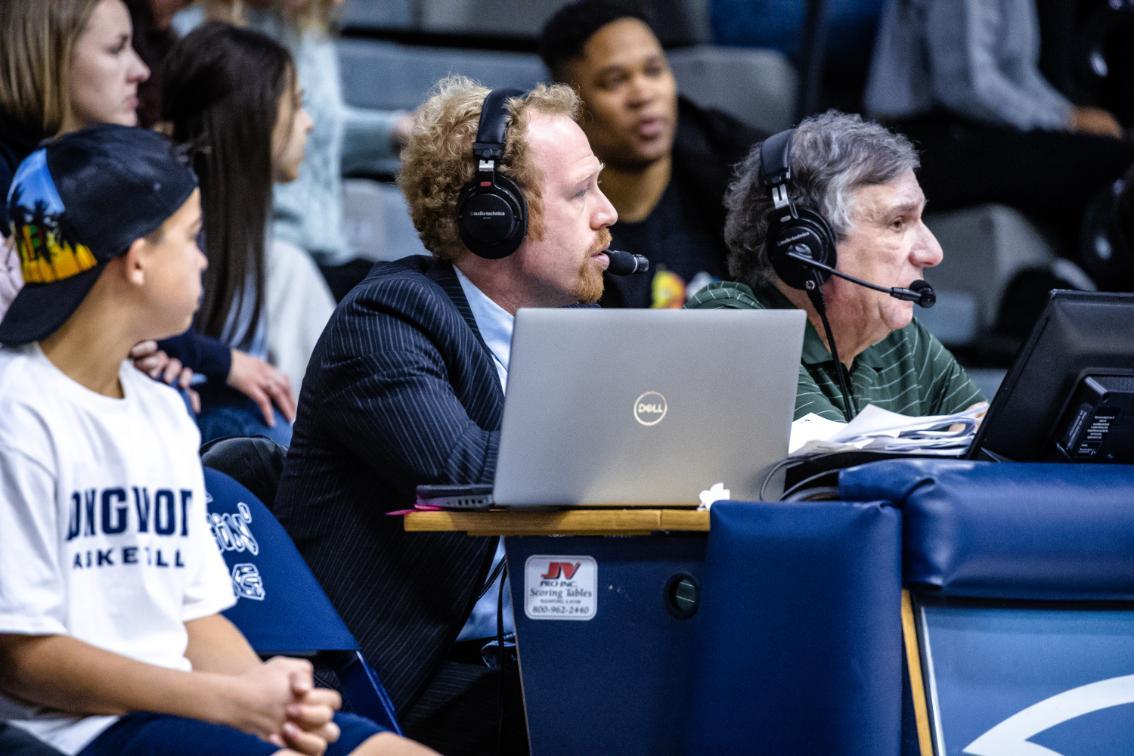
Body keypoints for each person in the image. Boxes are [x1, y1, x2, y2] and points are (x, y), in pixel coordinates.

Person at [0, 125, 427, 755]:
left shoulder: (161, 410)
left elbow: (193, 618)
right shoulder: (19, 411)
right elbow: (22, 658)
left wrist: (271, 700)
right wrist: (225, 701)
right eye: (192, 237)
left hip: (182, 708)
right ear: (137, 258)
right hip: (73, 732)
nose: (205, 257)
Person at [273, 75, 617, 754]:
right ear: (495, 217)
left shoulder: (581, 327)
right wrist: (642, 435)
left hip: (535, 654)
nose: (608, 212)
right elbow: (466, 473)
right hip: (407, 683)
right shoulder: (387, 320)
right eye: (581, 193)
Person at [0, 0, 294, 427]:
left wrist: (163, 353)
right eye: (117, 49)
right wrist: (204, 358)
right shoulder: (13, 177)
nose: (141, 70)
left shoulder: (122, 159)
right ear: (51, 55)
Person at [688, 111, 985, 422]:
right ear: (805, 247)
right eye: (898, 223)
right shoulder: (728, 322)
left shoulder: (901, 341)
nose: (933, 253)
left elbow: (993, 452)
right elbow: (836, 464)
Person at [864, 0, 1134, 289]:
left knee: (1113, 156)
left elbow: (1021, 76)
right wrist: (1067, 120)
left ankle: (1081, 278)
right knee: (1107, 164)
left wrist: (1074, 120)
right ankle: (1077, 284)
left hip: (977, 130)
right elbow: (967, 87)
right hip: (920, 142)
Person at [162, 21, 330, 440]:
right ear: (253, 118)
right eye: (296, 104)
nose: (307, 123)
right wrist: (220, 363)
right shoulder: (168, 215)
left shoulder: (247, 223)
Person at [538, 0, 763, 308]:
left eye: (654, 71)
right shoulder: (546, 215)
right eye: (615, 81)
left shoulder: (739, 168)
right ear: (571, 107)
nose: (643, 94)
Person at [190, 0, 413, 300]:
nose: (306, 122)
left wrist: (396, 130)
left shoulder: (307, 30)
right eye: (295, 106)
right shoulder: (209, 37)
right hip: (267, 247)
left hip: (328, 248)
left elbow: (322, 132)